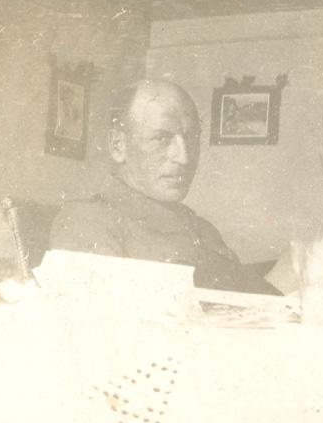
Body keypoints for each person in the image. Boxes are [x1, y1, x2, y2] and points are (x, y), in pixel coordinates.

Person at [49, 79, 280, 295]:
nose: (184, 157)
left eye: (190, 138)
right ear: (118, 145)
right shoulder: (85, 222)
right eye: (161, 138)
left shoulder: (203, 229)